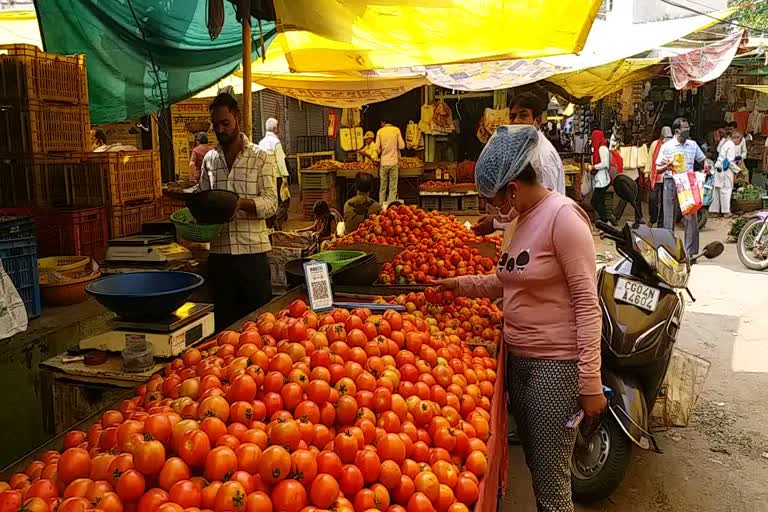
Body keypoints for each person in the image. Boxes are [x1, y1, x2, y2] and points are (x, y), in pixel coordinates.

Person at [441, 124, 605, 512]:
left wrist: (591, 383)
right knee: (537, 463)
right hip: (520, 359)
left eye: (494, 200)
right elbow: (506, 280)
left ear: (513, 188)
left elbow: (587, 303)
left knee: (551, 485)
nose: (493, 210)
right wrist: (459, 285)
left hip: (556, 368)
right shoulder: (519, 219)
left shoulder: (563, 219)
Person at [198, 93, 277, 331]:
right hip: (220, 256)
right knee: (225, 329)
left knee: (258, 326)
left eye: (226, 123)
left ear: (237, 119)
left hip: (253, 256)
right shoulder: (210, 160)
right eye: (216, 125)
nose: (221, 130)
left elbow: (272, 203)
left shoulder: (260, 157)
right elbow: (204, 197)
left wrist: (240, 204)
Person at [471, 92, 565, 235]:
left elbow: (543, 214)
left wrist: (497, 223)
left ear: (537, 121)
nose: (516, 121)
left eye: (523, 115)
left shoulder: (541, 157)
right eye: (512, 116)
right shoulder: (523, 150)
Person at [656, 117, 707, 257]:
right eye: (685, 129)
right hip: (671, 181)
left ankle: (691, 253)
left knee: (691, 217)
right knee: (669, 217)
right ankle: (669, 251)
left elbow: (702, 159)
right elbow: (658, 168)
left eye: (688, 128)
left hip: (687, 182)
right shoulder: (667, 146)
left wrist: (707, 165)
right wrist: (667, 166)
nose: (688, 131)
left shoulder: (693, 145)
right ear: (677, 131)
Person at [258, 118, 291, 231]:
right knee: (285, 201)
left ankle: (272, 226)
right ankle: (276, 222)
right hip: (277, 176)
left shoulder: (261, 143)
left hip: (265, 177)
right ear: (275, 128)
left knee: (271, 201)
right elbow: (280, 161)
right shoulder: (276, 142)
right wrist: (285, 177)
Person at [710, 130, 743, 217]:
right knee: (726, 189)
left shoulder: (725, 142)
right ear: (736, 138)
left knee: (717, 190)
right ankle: (726, 211)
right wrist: (738, 170)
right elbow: (729, 161)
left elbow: (720, 153)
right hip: (725, 170)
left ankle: (714, 210)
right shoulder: (731, 145)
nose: (739, 142)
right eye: (739, 140)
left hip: (718, 167)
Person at [644, 126, 673, 227]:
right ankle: (653, 219)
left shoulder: (674, 145)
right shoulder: (655, 144)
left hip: (668, 177)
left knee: (665, 201)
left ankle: (661, 223)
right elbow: (650, 159)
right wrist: (646, 172)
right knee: (653, 199)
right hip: (655, 176)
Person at [375, 121, 405, 205]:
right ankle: (391, 206)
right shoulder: (396, 130)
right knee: (393, 187)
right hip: (393, 162)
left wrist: (382, 150)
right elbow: (402, 146)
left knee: (383, 186)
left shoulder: (380, 131)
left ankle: (381, 205)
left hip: (384, 162)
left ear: (383, 122)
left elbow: (377, 149)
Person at [589, 129, 614, 225]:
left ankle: (606, 221)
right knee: (600, 201)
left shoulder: (602, 148)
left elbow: (605, 164)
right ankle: (605, 222)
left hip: (603, 180)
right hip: (599, 179)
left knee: (595, 201)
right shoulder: (597, 148)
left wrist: (593, 167)